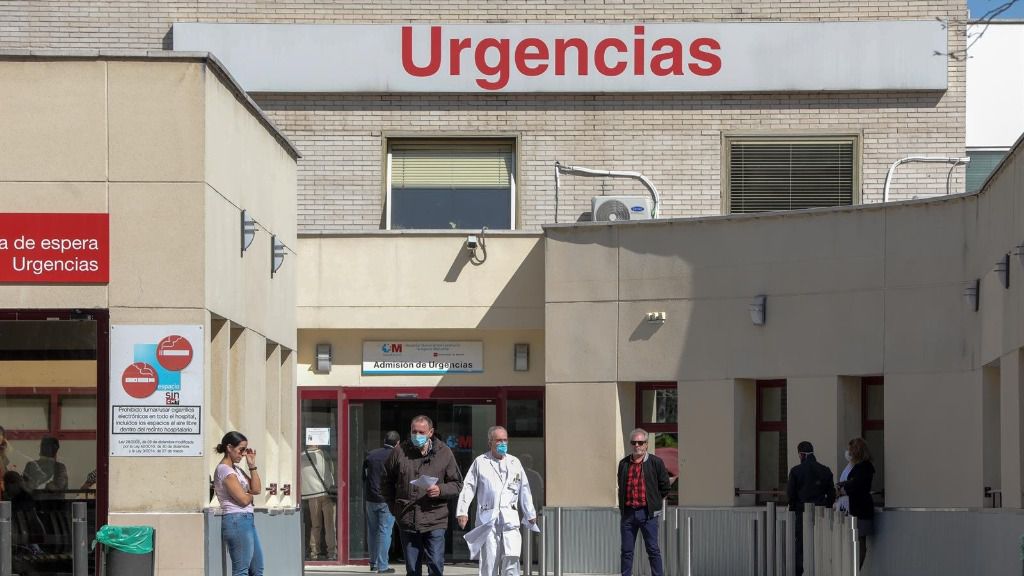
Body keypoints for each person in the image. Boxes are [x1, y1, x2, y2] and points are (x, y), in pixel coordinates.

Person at [382, 415, 463, 576]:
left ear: (430, 432)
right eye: (414, 431)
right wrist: (394, 508)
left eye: (421, 432)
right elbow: (385, 482)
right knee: (412, 569)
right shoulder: (399, 452)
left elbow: (457, 484)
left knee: (435, 566)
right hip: (407, 517)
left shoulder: (444, 453)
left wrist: (440, 490)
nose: (417, 435)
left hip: (435, 518)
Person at [456, 426, 537, 576]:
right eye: (499, 440)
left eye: (505, 440)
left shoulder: (515, 462)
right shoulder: (480, 462)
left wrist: (529, 512)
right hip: (488, 520)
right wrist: (462, 511)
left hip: (510, 520)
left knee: (512, 560)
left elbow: (524, 489)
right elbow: (468, 487)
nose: (502, 443)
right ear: (490, 443)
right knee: (489, 562)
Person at [617, 428, 671, 576]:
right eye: (634, 442)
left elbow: (665, 486)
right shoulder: (623, 463)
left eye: (640, 442)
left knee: (653, 549)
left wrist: (654, 502)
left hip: (648, 514)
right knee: (626, 551)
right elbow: (621, 486)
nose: (637, 445)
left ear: (646, 444)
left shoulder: (656, 462)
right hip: (628, 513)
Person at [214, 431, 264, 576]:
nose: (242, 454)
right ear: (229, 447)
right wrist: (250, 495)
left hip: (246, 519)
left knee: (257, 569)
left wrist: (252, 466)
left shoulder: (237, 470)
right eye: (240, 450)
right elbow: (243, 500)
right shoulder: (224, 470)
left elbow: (257, 489)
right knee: (241, 571)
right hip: (236, 520)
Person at [786, 441, 836, 576]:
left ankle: (799, 572)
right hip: (821, 514)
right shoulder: (825, 470)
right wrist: (826, 506)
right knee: (820, 544)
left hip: (801, 513)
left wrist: (793, 509)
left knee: (800, 547)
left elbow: (791, 494)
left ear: (801, 454)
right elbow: (832, 493)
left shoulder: (796, 471)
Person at [364, 430, 400, 573]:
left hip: (370, 498)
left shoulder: (371, 455)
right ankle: (382, 565)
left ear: (384, 440)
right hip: (386, 500)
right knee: (384, 531)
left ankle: (373, 564)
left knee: (372, 531)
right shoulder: (396, 455)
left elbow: (364, 476)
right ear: (397, 443)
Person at [837, 437, 875, 570]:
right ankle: (853, 569)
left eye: (850, 450)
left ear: (856, 451)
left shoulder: (863, 467)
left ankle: (854, 570)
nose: (848, 452)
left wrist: (843, 489)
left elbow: (856, 485)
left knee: (858, 543)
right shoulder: (861, 466)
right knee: (855, 542)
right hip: (858, 508)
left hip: (860, 509)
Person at [302, 442, 338, 561]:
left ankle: (314, 553)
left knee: (315, 525)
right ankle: (332, 553)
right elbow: (332, 471)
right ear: (317, 443)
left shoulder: (301, 456)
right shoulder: (324, 454)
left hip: (312, 494)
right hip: (326, 494)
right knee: (330, 526)